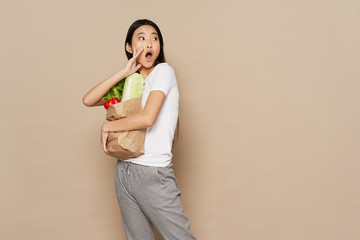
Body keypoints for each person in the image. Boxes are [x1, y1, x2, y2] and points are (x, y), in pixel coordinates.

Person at [82, 19, 196, 240]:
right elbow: (88, 100)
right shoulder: (130, 82)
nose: (150, 43)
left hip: (153, 172)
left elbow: (148, 117)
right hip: (124, 171)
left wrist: (108, 125)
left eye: (155, 38)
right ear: (129, 47)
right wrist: (123, 72)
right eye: (142, 38)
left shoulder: (163, 71)